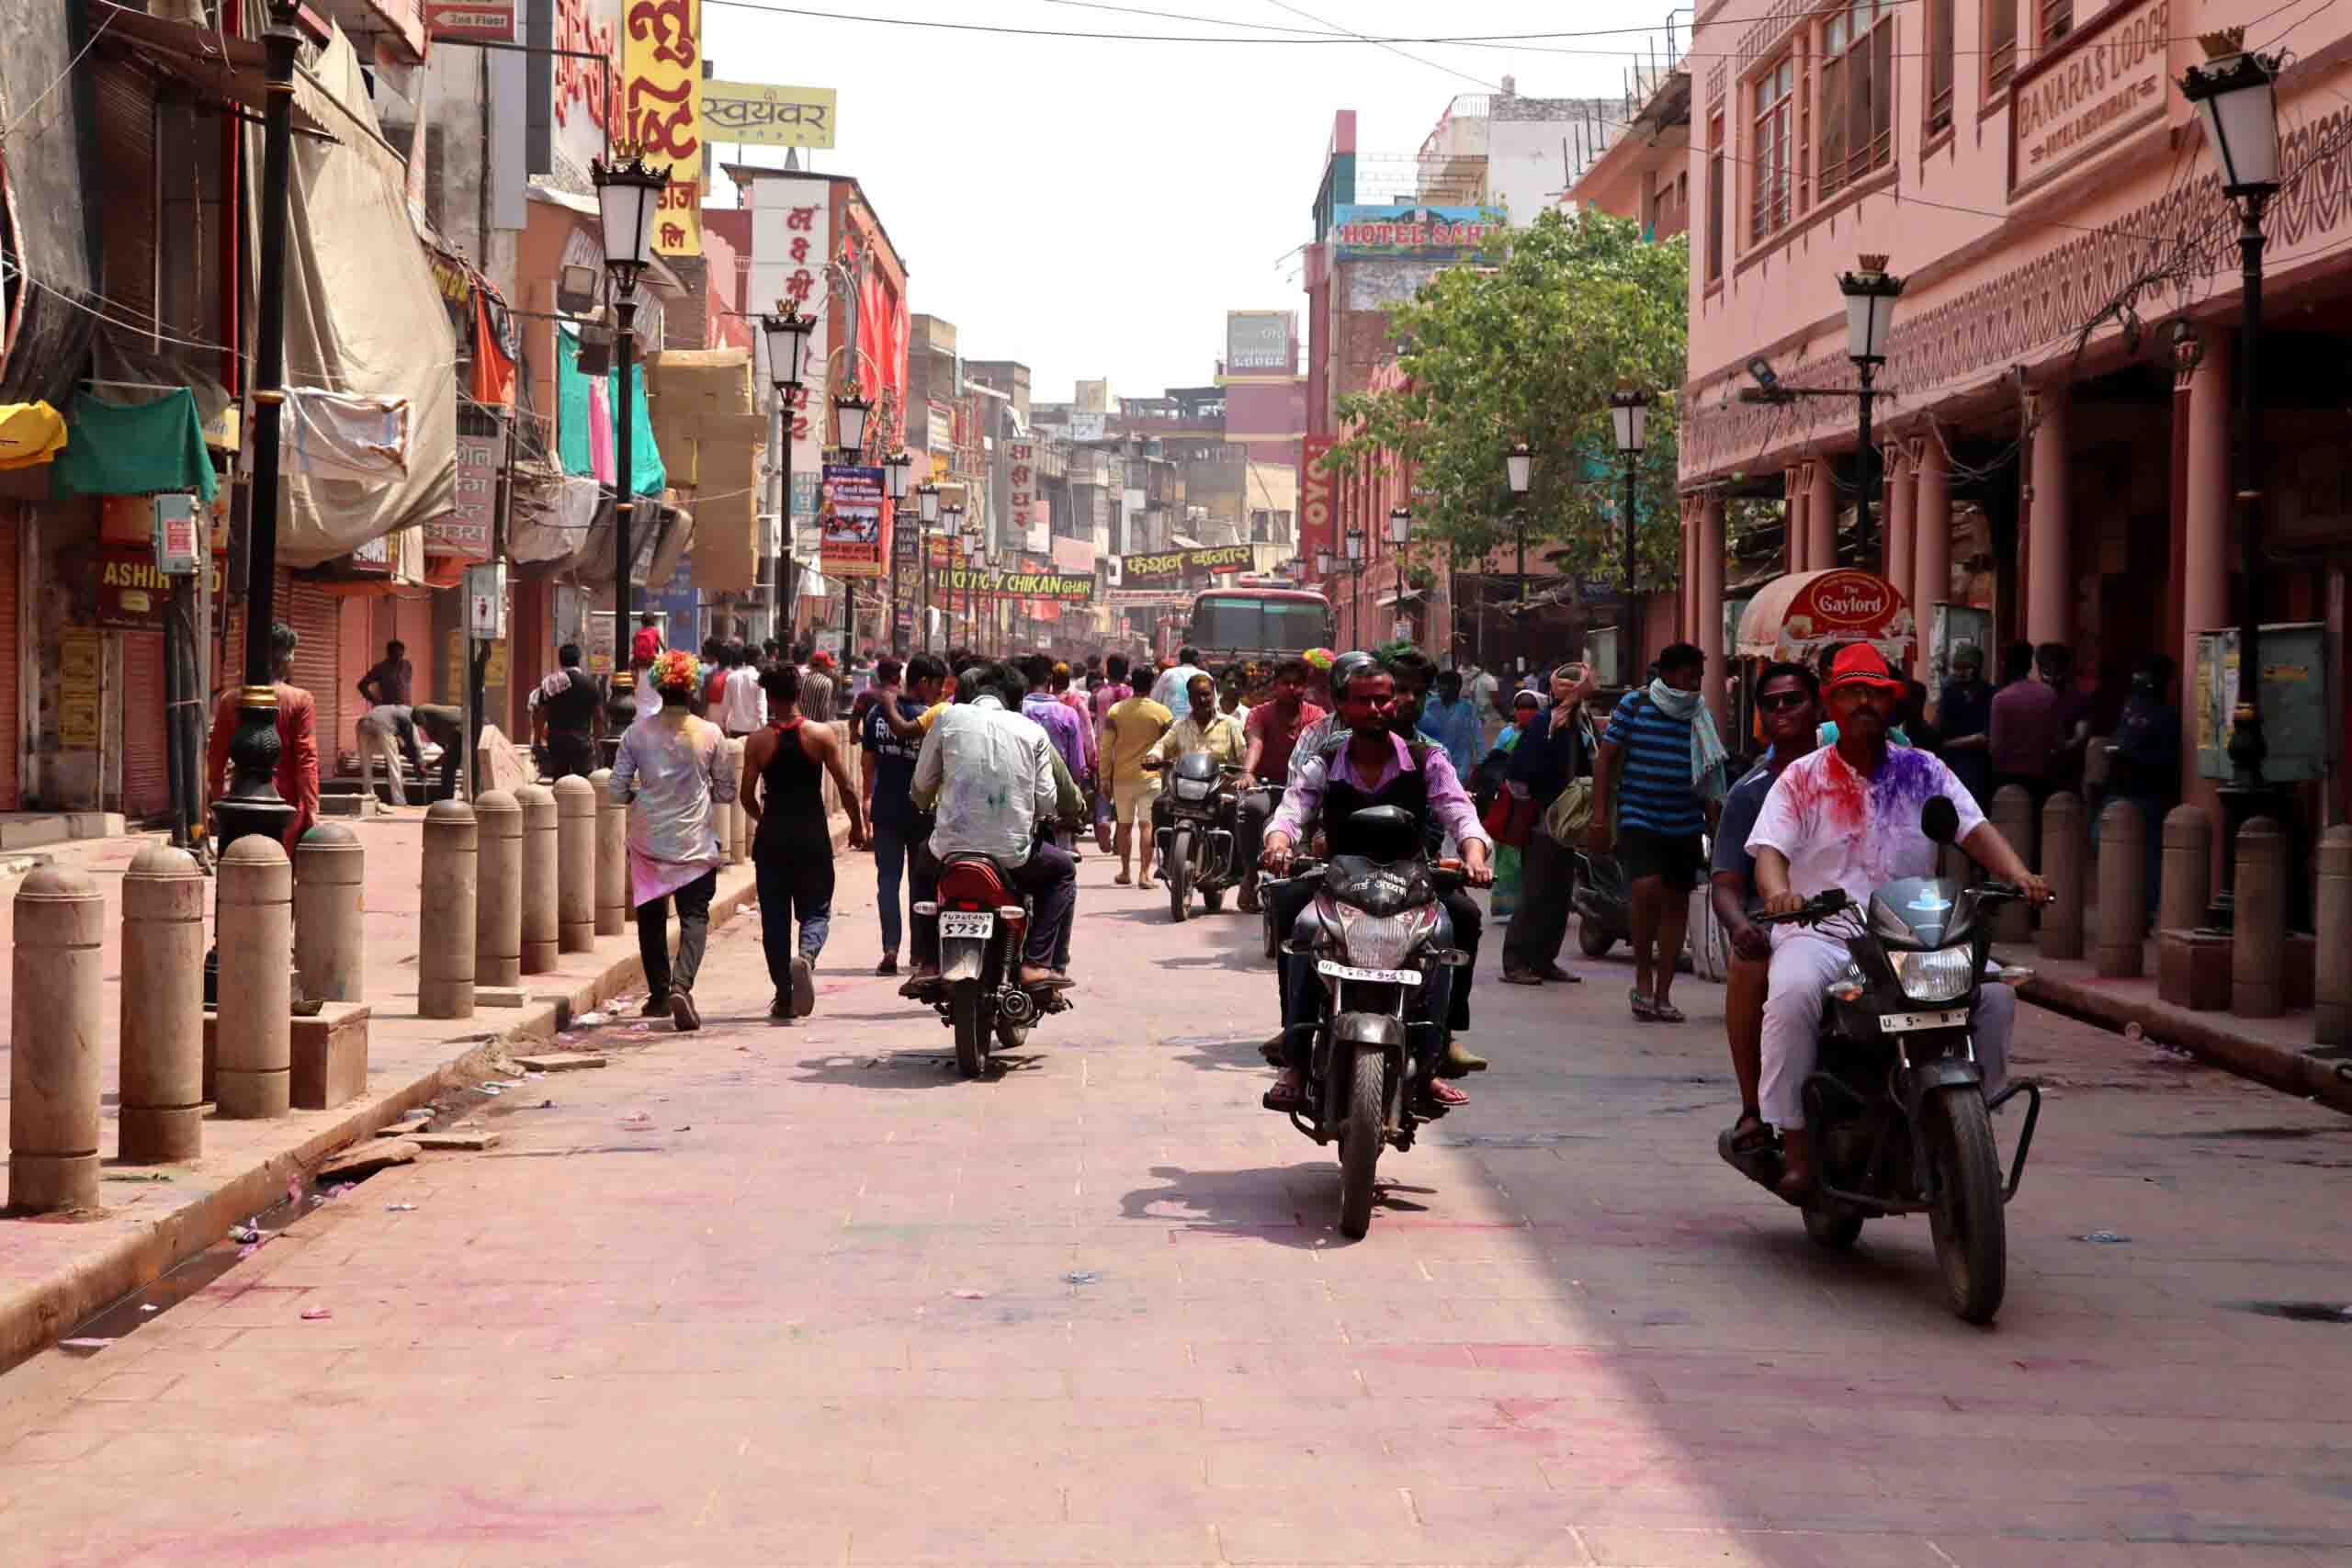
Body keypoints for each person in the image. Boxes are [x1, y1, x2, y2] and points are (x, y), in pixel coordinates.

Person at [1748, 644, 2050, 1196]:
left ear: (1890, 703)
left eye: (1875, 692)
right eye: (1851, 693)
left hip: (1915, 935)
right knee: (1790, 995)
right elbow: (1770, 851)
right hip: (1826, 933)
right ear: (1831, 704)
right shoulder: (1801, 777)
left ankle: (1974, 1131)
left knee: (1996, 994)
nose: (1863, 702)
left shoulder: (1924, 769)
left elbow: (1974, 828)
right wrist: (1779, 894)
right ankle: (1795, 1143)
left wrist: (2021, 874)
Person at [1260, 660, 1494, 1110]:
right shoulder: (1325, 760)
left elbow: (1459, 811)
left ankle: (1438, 1049)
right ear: (1342, 706)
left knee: (1461, 919)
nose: (1376, 709)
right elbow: (1292, 808)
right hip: (1340, 882)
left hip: (1411, 881)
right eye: (1363, 700)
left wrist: (1475, 856)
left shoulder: (1427, 759)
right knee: (1295, 916)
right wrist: (1278, 844)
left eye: (1383, 699)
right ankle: (1296, 1051)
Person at [1706, 660, 1819, 1164]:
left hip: (1855, 920)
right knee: (1750, 963)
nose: (1782, 710)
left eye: (1793, 699)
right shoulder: (1750, 791)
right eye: (1771, 704)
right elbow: (1725, 883)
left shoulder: (1855, 775)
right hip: (1778, 924)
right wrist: (1740, 926)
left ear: (1817, 706)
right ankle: (1753, 1106)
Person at [910, 661, 1079, 990]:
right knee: (1063, 872)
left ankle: (928, 961)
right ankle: (1037, 964)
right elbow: (1046, 801)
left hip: (949, 850)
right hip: (1013, 856)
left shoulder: (947, 718)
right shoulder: (1031, 731)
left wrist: (926, 802)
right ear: (1015, 700)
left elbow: (920, 787)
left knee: (922, 866)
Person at [1586, 643, 1730, 1023]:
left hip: (1685, 821)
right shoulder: (1635, 705)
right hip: (1640, 815)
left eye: (1699, 677)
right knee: (1645, 889)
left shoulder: (1700, 714)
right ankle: (1642, 979)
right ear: (1667, 675)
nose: (1695, 684)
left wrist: (1716, 826)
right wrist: (1600, 817)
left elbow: (1709, 773)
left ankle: (1663, 994)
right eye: (1688, 676)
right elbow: (1605, 760)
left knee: (1676, 904)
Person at [608, 649, 737, 1032]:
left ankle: (660, 996)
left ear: (659, 688)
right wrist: (700, 791)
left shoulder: (636, 733)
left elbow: (616, 791)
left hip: (648, 841)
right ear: (692, 688)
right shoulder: (710, 734)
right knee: (694, 916)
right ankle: (682, 984)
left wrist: (643, 796)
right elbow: (726, 791)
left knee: (651, 919)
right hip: (694, 842)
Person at [744, 661, 866, 1021]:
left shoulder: (757, 741)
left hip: (772, 838)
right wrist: (857, 827)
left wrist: (763, 819)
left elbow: (746, 795)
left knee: (774, 918)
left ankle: (784, 996)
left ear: (769, 697)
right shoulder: (820, 735)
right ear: (799, 693)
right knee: (816, 909)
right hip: (811, 835)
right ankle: (807, 956)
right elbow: (846, 786)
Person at [1502, 662, 1600, 987]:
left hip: (1566, 825)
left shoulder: (1574, 724)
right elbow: (1519, 774)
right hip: (1543, 823)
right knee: (1535, 893)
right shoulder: (1544, 724)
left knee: (1559, 895)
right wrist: (1542, 808)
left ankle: (1544, 960)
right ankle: (1516, 962)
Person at [207, 621, 318, 852]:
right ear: (286, 658)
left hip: (239, 799)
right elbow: (306, 759)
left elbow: (216, 757)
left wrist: (217, 801)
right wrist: (312, 809)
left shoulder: (230, 700)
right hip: (285, 803)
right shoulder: (300, 700)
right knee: (279, 865)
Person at [868, 655, 943, 976]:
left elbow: (868, 762)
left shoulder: (877, 714)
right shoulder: (930, 718)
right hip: (921, 811)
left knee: (887, 880)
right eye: (937, 685)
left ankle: (890, 947)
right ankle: (918, 951)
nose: (939, 692)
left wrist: (867, 799)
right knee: (919, 881)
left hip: (885, 807)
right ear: (923, 682)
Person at [1237, 657, 1325, 913]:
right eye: (1286, 683)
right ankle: (1249, 875)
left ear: (1305, 687)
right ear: (1275, 685)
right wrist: (1247, 773)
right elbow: (1255, 744)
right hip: (1269, 786)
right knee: (1249, 808)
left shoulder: (1317, 716)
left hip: (1306, 789)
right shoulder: (1260, 714)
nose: (1291, 688)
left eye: (1298, 684)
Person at [2104, 653, 2180, 928]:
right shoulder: (2131, 706)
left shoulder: (2165, 714)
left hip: (2148, 792)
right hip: (2122, 789)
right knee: (2113, 849)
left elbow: (2166, 758)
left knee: (2148, 856)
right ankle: (2125, 910)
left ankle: (2143, 913)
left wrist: (2129, 754)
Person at [1101, 673, 1174, 886]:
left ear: (1132, 685)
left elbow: (1106, 748)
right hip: (1151, 777)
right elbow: (1170, 746)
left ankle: (1125, 872)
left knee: (1124, 825)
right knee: (1147, 825)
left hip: (1122, 778)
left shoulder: (1116, 711)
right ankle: (1144, 874)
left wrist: (1104, 777)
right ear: (1151, 685)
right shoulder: (1162, 713)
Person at [1988, 640, 2061, 804]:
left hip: (2009, 776)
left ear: (2006, 665)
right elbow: (2058, 739)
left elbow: (1996, 747)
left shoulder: (2001, 699)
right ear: (2029, 665)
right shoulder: (2048, 694)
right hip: (2042, 773)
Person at [528, 643, 605, 779]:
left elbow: (541, 715)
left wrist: (537, 741)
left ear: (560, 660)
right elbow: (598, 717)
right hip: (582, 743)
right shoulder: (590, 684)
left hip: (557, 743)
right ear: (578, 659)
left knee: (560, 784)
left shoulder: (551, 683)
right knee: (583, 785)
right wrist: (598, 743)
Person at [1933, 641, 1996, 806]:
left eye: (1966, 668)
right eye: (1957, 668)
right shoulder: (1949, 691)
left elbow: (1985, 737)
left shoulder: (1988, 693)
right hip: (1953, 762)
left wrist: (1949, 744)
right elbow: (1939, 726)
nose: (1960, 673)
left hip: (1977, 763)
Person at [355, 639, 423, 777]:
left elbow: (405, 685)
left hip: (406, 710)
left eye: (401, 655)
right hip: (388, 712)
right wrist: (374, 700)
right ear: (389, 654)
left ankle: (419, 772)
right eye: (396, 655)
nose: (399, 658)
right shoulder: (380, 668)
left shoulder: (407, 665)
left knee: (413, 743)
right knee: (391, 745)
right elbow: (362, 685)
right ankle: (392, 774)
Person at [1418, 669, 1487, 784]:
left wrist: (1481, 763)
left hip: (1460, 769)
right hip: (1433, 765)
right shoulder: (1429, 706)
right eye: (1440, 685)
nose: (1440, 689)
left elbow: (1478, 737)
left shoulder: (1468, 709)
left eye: (1445, 685)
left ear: (1457, 688)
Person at [719, 641, 767, 739]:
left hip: (735, 730)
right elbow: (761, 706)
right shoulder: (759, 678)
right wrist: (764, 728)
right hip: (754, 731)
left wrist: (724, 724)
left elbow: (725, 706)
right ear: (758, 658)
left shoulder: (731, 678)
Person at [1150, 644, 1207, 718]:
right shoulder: (1205, 676)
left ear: (1180, 659)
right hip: (1198, 723)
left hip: (1171, 722)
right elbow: (1213, 704)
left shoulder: (1168, 674)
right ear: (1197, 660)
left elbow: (1154, 699)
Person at [801, 648, 839, 722]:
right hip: (816, 724)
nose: (829, 668)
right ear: (822, 666)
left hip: (802, 722)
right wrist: (826, 724)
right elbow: (824, 707)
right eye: (828, 666)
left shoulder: (803, 678)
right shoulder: (826, 682)